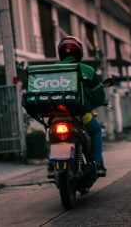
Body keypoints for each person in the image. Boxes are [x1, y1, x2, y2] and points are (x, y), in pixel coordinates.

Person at [57, 36, 107, 176]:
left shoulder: (50, 69)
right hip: (80, 116)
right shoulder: (86, 70)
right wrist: (96, 103)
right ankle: (97, 162)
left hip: (54, 116)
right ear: (79, 52)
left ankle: (52, 163)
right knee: (96, 130)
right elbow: (98, 94)